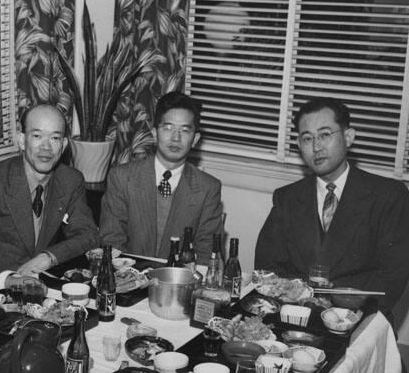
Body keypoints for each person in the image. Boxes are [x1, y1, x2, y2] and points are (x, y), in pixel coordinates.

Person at [255, 96, 409, 315]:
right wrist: (299, 299)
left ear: (348, 137)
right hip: (296, 315)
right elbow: (267, 269)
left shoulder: (388, 195)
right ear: (299, 145)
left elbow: (393, 277)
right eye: (307, 138)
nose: (317, 146)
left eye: (325, 135)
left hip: (359, 319)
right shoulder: (287, 198)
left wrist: (340, 313)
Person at [0, 104, 98, 293]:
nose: (46, 147)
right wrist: (11, 281)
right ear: (21, 140)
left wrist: (48, 257)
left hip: (45, 291)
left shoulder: (70, 180)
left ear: (64, 145)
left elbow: (88, 235)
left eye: (55, 138)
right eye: (37, 136)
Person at [100, 91, 223, 264]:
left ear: (195, 139)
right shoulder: (122, 177)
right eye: (168, 128)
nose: (175, 137)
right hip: (128, 281)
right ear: (155, 133)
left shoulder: (208, 188)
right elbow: (112, 242)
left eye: (184, 130)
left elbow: (206, 254)